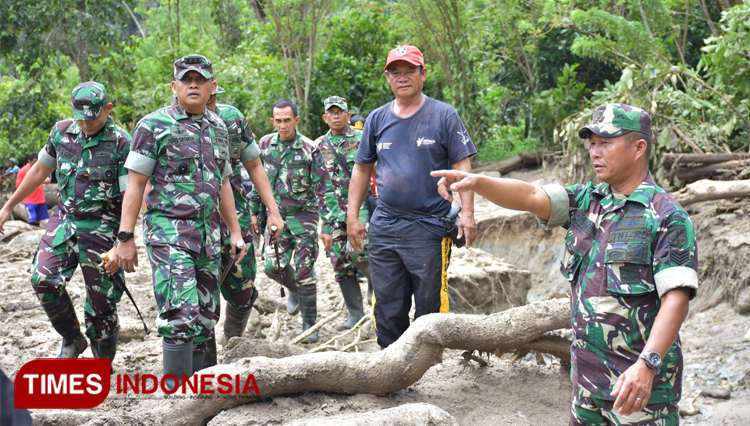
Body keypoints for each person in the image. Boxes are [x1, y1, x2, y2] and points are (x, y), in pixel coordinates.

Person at [432, 104, 698, 425]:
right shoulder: (586, 201)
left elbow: (676, 300)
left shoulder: (667, 217)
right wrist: (477, 182)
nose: (595, 153)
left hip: (640, 389)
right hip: (587, 384)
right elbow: (530, 195)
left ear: (639, 147)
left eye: (606, 143)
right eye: (592, 144)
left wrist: (648, 364)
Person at [110, 54, 247, 390]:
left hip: (209, 237)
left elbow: (225, 183)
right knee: (180, 317)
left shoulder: (218, 127)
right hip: (170, 235)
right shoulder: (153, 126)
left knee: (204, 318)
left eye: (200, 80)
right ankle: (175, 400)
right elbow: (135, 185)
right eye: (187, 80)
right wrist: (125, 237)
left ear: (213, 87)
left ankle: (199, 393)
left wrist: (236, 232)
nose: (193, 85)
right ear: (174, 86)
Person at [346, 45, 478, 349]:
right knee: (388, 302)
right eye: (396, 72)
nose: (402, 77)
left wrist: (468, 214)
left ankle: (429, 368)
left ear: (423, 74)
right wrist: (352, 217)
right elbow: (361, 170)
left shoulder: (444, 115)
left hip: (429, 225)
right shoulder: (377, 119)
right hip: (385, 222)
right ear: (388, 77)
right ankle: (391, 367)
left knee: (430, 304)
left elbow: (463, 166)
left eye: (409, 71)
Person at [0, 81, 131, 365]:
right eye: (80, 116)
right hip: (65, 220)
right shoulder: (61, 132)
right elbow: (39, 170)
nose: (85, 122)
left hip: (104, 227)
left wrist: (123, 241)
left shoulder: (121, 142)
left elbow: (132, 196)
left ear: (107, 109)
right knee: (43, 279)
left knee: (102, 303)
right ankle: (72, 338)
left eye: (93, 116)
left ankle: (102, 360)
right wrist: (8, 206)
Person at [202, 85, 283, 368]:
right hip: (196, 226)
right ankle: (207, 365)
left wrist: (273, 211)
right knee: (203, 300)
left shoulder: (232, 119)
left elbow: (254, 165)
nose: (206, 98)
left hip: (235, 219)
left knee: (243, 293)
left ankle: (232, 341)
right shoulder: (170, 124)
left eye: (211, 92)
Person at [248, 98, 327, 343]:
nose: (283, 125)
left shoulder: (309, 148)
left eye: (287, 120)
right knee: (273, 267)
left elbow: (324, 186)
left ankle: (310, 324)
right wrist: (253, 211)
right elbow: (256, 181)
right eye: (278, 121)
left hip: (304, 216)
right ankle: (293, 290)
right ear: (273, 121)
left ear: (296, 120)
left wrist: (331, 223)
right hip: (276, 217)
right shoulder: (264, 145)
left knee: (305, 272)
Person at [316, 96, 372, 330]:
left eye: (341, 112)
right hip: (332, 213)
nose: (336, 116)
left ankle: (374, 287)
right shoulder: (317, 146)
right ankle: (355, 314)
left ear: (349, 116)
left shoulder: (362, 139)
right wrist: (325, 226)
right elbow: (318, 185)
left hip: (361, 210)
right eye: (332, 112)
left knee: (361, 252)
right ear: (325, 117)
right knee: (339, 262)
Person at [16, 152, 51, 226]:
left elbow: (47, 179)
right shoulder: (23, 171)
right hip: (29, 199)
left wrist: (45, 180)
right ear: (29, 161)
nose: (35, 164)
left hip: (40, 198)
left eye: (37, 162)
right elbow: (18, 185)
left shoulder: (41, 168)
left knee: (41, 219)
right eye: (34, 162)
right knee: (32, 218)